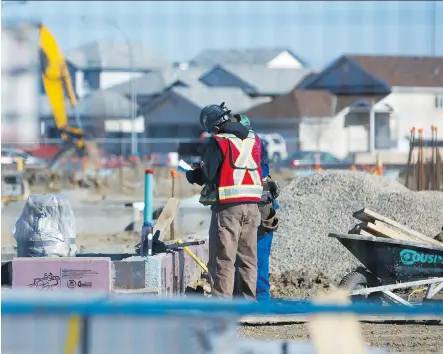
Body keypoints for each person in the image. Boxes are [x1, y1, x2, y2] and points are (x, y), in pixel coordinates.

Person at [185, 102, 263, 300]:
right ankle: (248, 305)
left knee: (223, 259)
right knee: (248, 259)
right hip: (253, 207)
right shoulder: (254, 139)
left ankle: (222, 307)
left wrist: (193, 175)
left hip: (229, 208)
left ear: (215, 126)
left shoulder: (219, 141)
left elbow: (207, 175)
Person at [234, 114, 280, 301]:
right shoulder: (255, 143)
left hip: (258, 207)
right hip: (258, 205)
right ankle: (254, 296)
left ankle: (260, 297)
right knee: (251, 255)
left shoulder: (250, 145)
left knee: (256, 255)